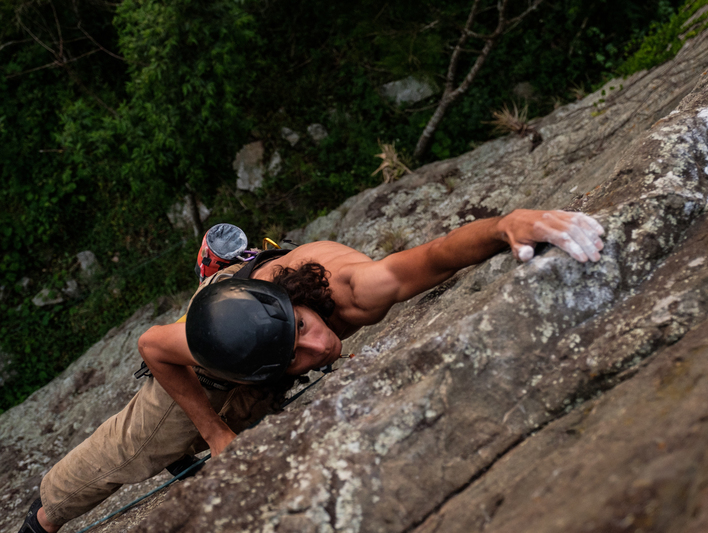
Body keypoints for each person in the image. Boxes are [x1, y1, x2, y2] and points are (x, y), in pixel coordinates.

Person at [19, 209, 604, 533]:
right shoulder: (210, 344)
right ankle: (39, 519)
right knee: (117, 458)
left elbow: (431, 258)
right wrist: (217, 434)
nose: (322, 348)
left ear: (298, 299)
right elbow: (153, 346)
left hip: (250, 312)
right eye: (298, 354)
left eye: (304, 329)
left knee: (255, 400)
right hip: (221, 361)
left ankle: (226, 274)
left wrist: (507, 226)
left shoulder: (353, 290)